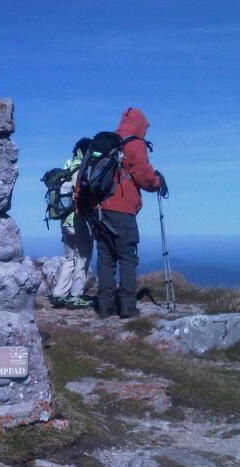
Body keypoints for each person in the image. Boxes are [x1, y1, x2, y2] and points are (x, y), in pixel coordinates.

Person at [94, 107, 165, 319]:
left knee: (106, 258)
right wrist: (157, 182)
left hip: (100, 209)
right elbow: (144, 176)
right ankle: (127, 307)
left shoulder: (107, 142)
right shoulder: (134, 143)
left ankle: (105, 307)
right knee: (127, 257)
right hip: (122, 210)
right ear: (140, 125)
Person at [50, 138, 95, 309]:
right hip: (79, 219)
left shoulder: (67, 166)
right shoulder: (82, 169)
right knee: (83, 257)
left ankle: (59, 294)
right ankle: (76, 295)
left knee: (69, 258)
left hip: (64, 220)